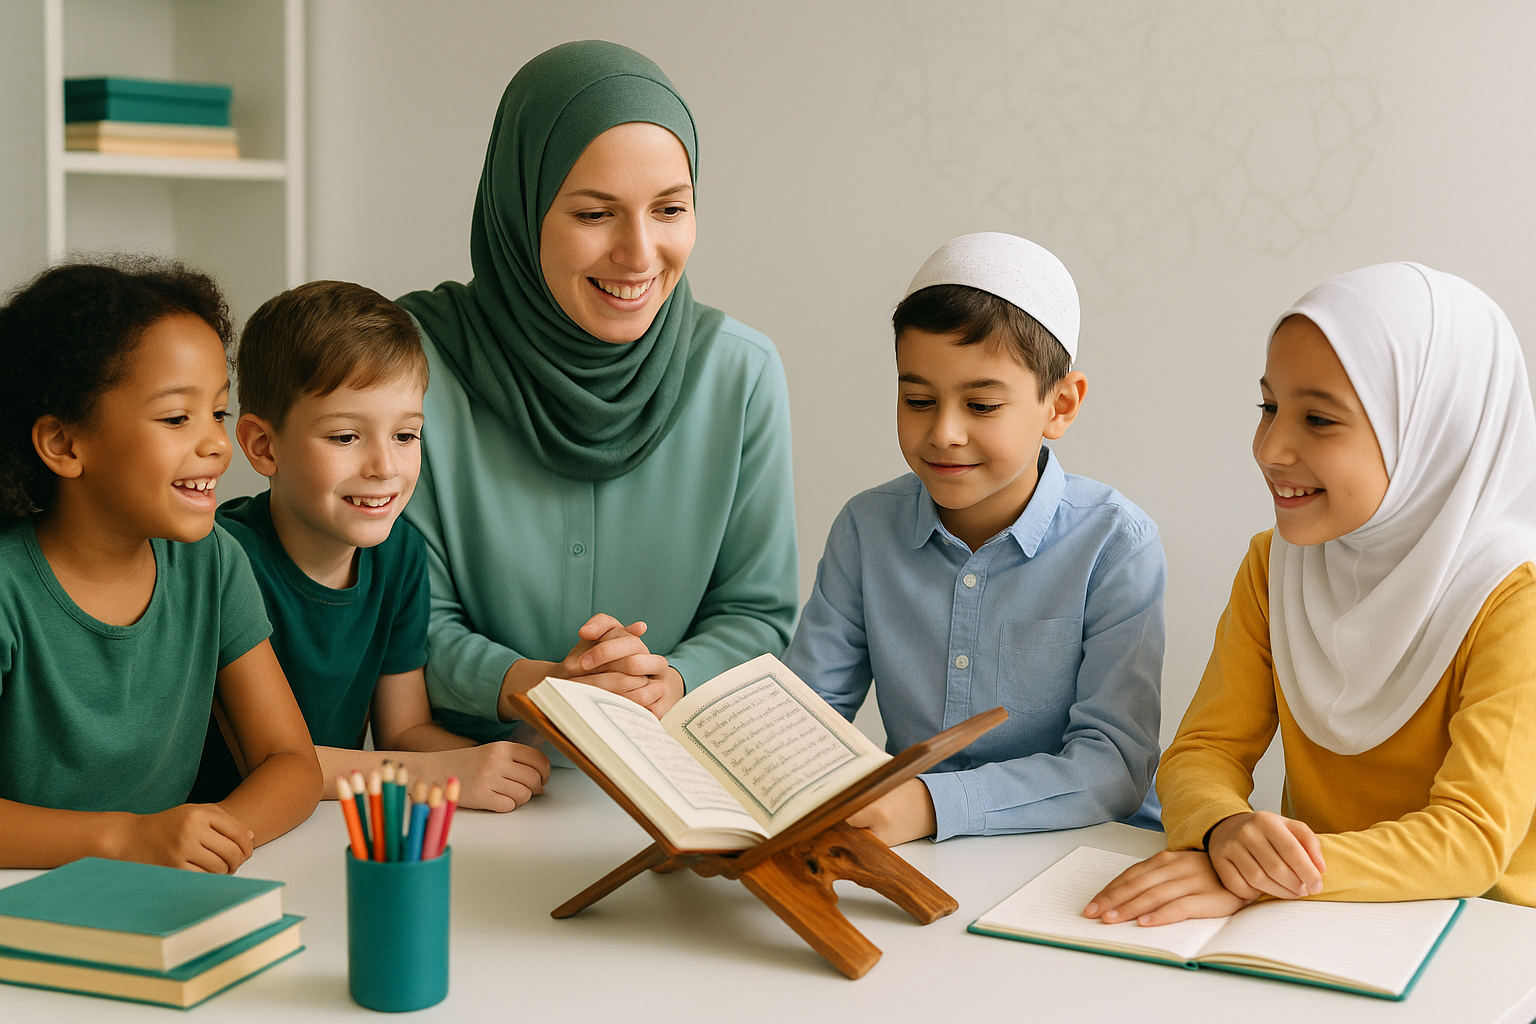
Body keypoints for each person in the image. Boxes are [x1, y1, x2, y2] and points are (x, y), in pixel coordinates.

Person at [1085, 263, 1536, 927]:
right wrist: (1223, 829)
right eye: (1268, 407)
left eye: (1319, 419)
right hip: (1313, 920)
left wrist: (1266, 878)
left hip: (1487, 933)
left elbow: (1469, 840)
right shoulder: (1275, 565)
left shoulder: (1513, 599)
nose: (1271, 448)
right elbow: (1203, 751)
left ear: (1433, 430)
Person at [396, 41, 798, 742]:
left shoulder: (741, 373)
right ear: (521, 209)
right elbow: (399, 614)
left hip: (673, 773)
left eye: (669, 210)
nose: (639, 254)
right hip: (469, 776)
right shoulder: (411, 366)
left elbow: (757, 612)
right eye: (594, 214)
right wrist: (532, 686)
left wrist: (672, 681)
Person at [784, 232, 1165, 846]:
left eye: (982, 405)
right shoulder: (866, 528)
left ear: (1060, 405)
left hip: (1083, 853)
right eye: (918, 399)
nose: (944, 432)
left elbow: (1114, 767)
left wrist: (933, 804)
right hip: (917, 852)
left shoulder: (1116, 543)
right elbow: (804, 717)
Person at [0, 260, 322, 871]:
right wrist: (128, 840)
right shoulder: (7, 586)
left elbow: (291, 762)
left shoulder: (211, 561)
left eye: (218, 412)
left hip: (159, 893)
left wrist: (211, 839)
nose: (218, 443)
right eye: (177, 418)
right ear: (64, 444)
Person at [191, 281, 551, 811]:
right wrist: (438, 774)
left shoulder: (399, 553)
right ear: (263, 447)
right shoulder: (219, 560)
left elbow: (404, 732)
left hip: (325, 824)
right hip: (233, 832)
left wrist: (491, 759)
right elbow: (266, 763)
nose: (384, 467)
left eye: (405, 436)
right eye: (345, 437)